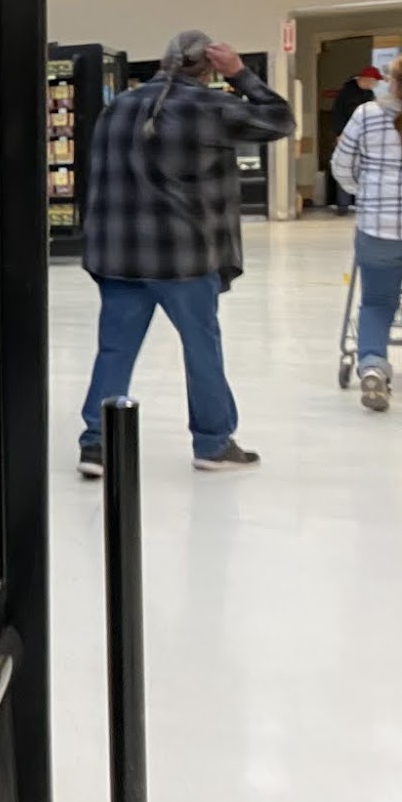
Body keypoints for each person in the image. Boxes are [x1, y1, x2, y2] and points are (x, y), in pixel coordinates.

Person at [77, 30, 294, 475]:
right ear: (209, 68)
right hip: (186, 258)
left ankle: (97, 444)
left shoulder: (117, 108)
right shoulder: (209, 107)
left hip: (119, 256)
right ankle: (212, 443)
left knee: (114, 350)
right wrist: (241, 74)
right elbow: (280, 120)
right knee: (201, 349)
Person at [328, 56, 402, 410]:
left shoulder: (367, 115)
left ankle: (372, 363)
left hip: (378, 228)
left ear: (392, 81)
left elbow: (342, 165)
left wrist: (365, 191)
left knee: (376, 302)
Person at [329, 65, 381, 212]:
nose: (375, 85)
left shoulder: (368, 93)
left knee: (360, 169)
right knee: (344, 167)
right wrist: (339, 134)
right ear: (366, 79)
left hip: (362, 138)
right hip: (345, 136)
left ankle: (358, 202)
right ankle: (343, 204)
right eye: (374, 81)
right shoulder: (348, 93)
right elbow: (338, 114)